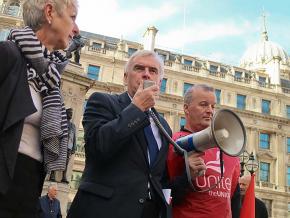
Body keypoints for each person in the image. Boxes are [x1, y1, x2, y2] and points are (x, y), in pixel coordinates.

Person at [67, 50, 172, 218]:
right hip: (104, 210)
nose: (146, 74)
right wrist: (136, 109)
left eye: (153, 71)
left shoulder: (164, 125)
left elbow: (159, 177)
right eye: (139, 68)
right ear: (125, 77)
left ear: (159, 81)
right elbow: (98, 148)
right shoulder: (102, 101)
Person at [0, 0, 79, 217]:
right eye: (72, 17)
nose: (76, 29)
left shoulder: (50, 79)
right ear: (50, 12)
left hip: (28, 190)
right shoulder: (7, 55)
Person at [167, 84, 241, 218]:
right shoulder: (172, 143)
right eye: (203, 104)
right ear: (186, 108)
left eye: (213, 106)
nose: (210, 111)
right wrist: (187, 177)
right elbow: (164, 196)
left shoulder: (230, 151)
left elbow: (234, 201)